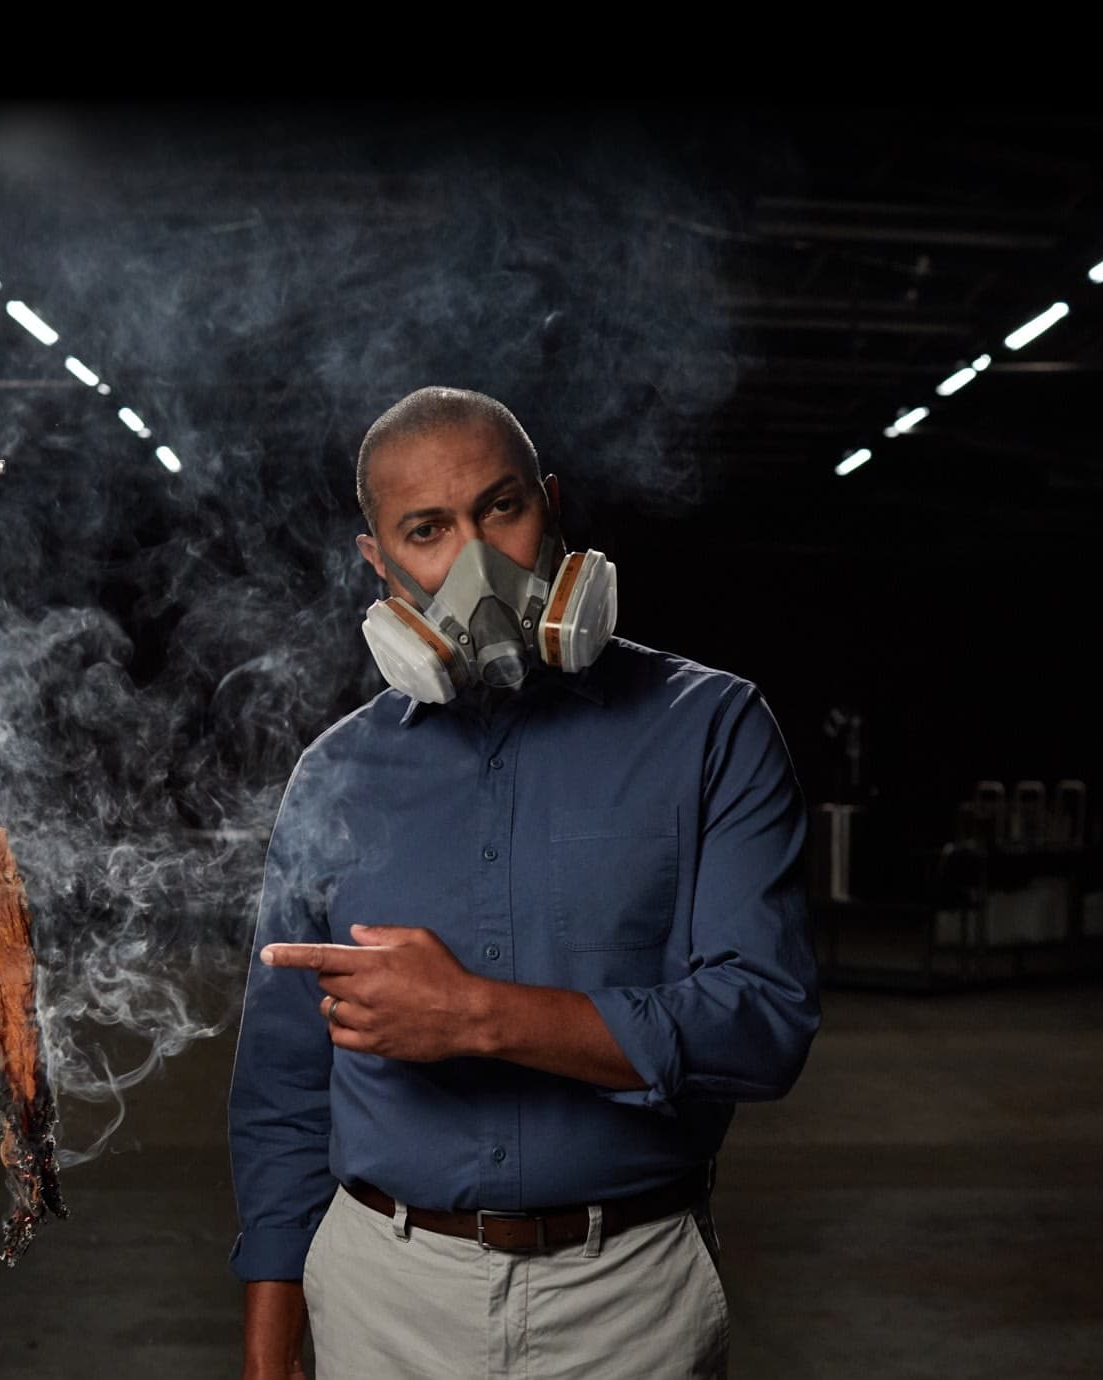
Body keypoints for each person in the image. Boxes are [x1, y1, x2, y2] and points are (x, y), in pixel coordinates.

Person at [228, 387, 822, 1379]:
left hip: (629, 1296)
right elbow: (284, 1088)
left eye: (500, 510)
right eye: (428, 530)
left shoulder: (712, 729)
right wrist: (266, 1345)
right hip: (379, 1292)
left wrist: (478, 1017)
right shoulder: (335, 775)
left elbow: (763, 1029)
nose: (479, 560)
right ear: (379, 562)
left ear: (551, 506)